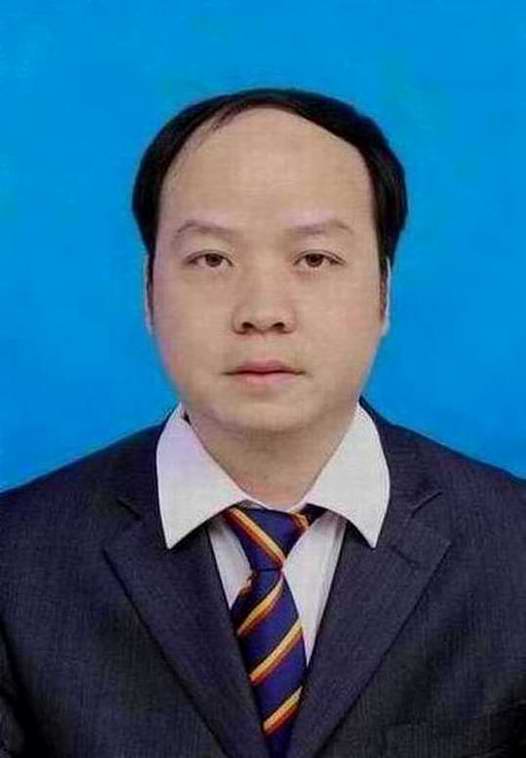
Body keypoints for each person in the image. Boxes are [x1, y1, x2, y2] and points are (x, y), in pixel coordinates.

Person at [0, 86, 525, 758]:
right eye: (212, 259)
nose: (262, 312)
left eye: (314, 259)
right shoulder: (14, 565)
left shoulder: (513, 548)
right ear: (148, 290)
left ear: (383, 292)